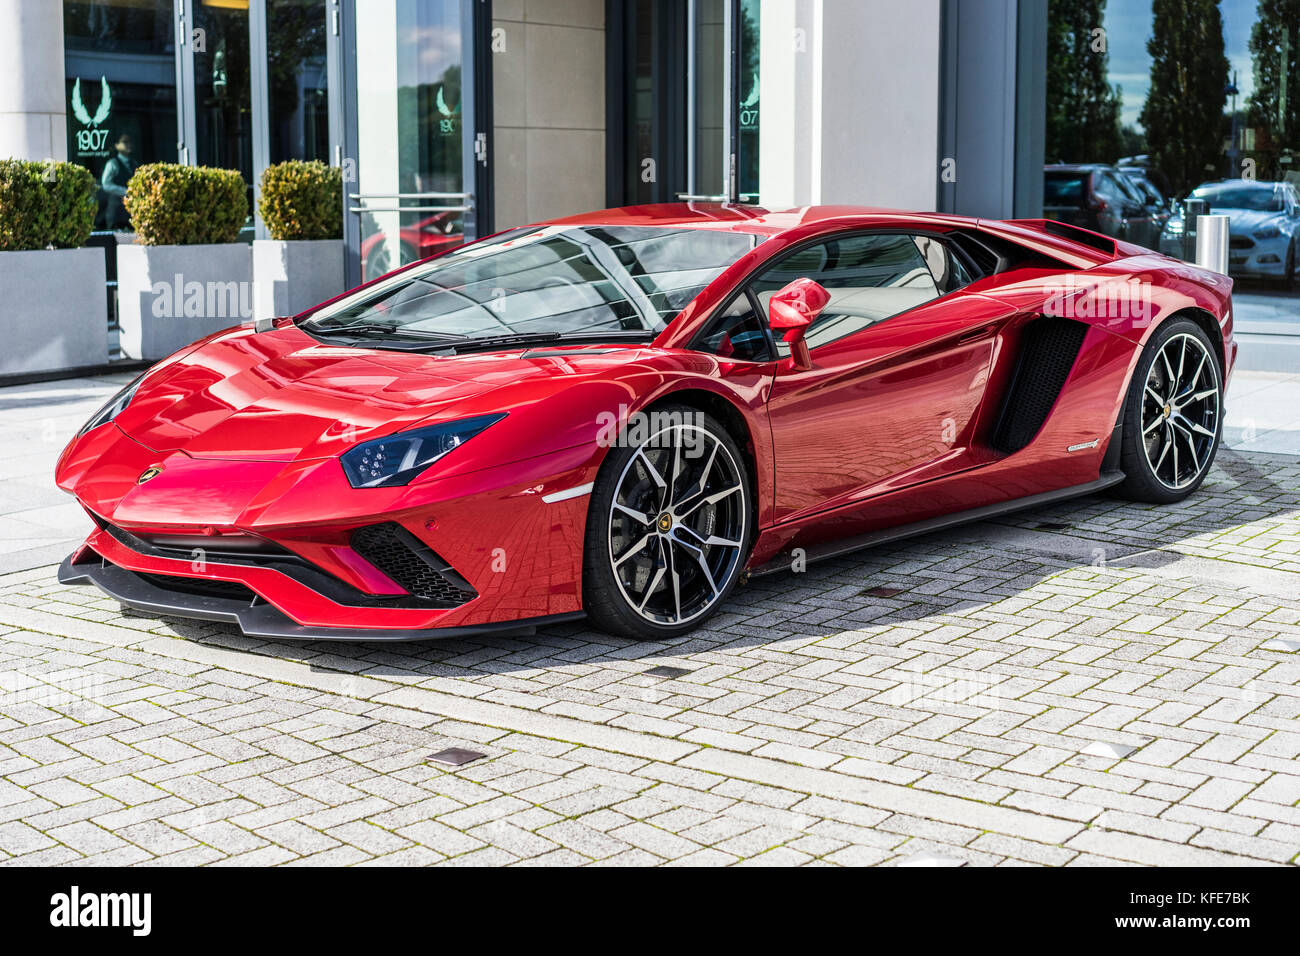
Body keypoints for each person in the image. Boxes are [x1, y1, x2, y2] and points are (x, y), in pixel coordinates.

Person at [101, 134, 136, 230]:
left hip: (130, 213)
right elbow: (106, 185)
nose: (129, 145)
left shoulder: (134, 163)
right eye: (125, 142)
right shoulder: (112, 163)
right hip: (116, 213)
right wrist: (126, 191)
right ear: (116, 145)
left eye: (130, 142)